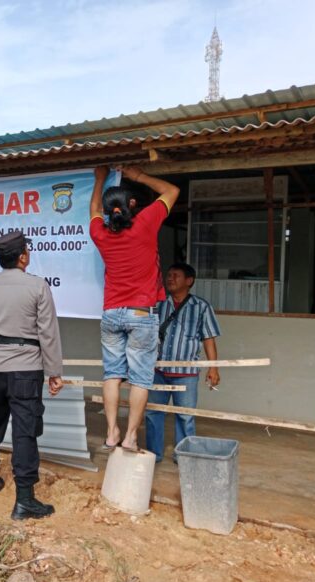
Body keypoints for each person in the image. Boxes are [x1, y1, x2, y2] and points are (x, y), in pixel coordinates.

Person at [0, 230, 64, 520]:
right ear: (23, 256)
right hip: (26, 369)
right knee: (25, 431)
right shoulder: (37, 286)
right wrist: (54, 371)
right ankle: (24, 499)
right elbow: (48, 332)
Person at [90, 165, 180, 452]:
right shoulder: (145, 222)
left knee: (112, 375)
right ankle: (130, 437)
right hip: (141, 314)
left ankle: (112, 432)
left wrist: (99, 178)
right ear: (132, 205)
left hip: (111, 313)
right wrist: (138, 176)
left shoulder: (100, 233)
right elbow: (172, 191)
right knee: (141, 378)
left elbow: (93, 208)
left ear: (107, 212)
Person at [146, 263, 221, 463]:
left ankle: (184, 457)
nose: (170, 279)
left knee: (185, 416)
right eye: (168, 275)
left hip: (186, 373)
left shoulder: (201, 307)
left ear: (189, 281)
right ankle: (153, 454)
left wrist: (213, 368)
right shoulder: (158, 304)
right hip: (158, 370)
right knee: (153, 413)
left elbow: (209, 339)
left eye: (176, 276)